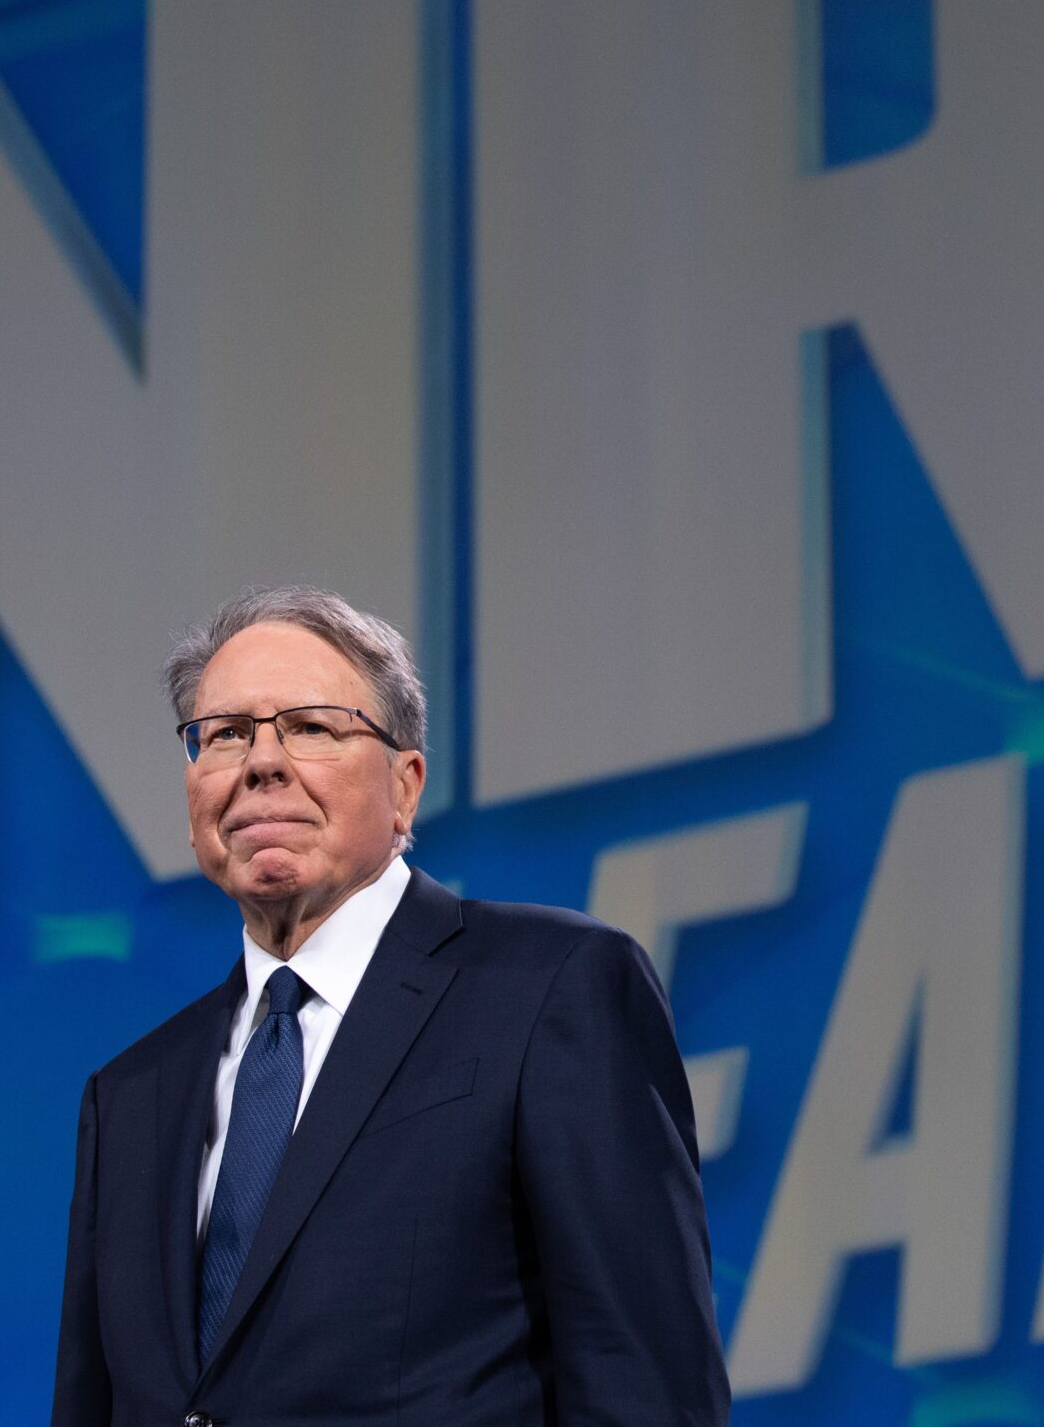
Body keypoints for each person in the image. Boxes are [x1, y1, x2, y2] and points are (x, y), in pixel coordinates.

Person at [51, 584, 730, 1426]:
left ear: (405, 785)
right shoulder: (129, 1095)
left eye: (310, 727)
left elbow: (645, 1389)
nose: (262, 761)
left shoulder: (552, 989)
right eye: (224, 734)